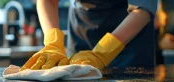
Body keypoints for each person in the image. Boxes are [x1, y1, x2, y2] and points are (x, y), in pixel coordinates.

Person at [19, 0, 159, 71]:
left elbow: (142, 10)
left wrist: (103, 52)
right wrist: (52, 43)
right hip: (81, 31)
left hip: (129, 39)